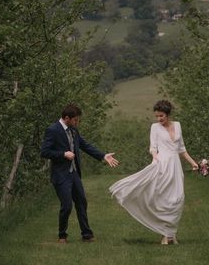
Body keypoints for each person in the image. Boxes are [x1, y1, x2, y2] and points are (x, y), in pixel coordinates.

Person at [109, 99, 199, 245]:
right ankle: (166, 234)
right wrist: (155, 157)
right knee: (162, 199)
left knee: (177, 199)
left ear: (168, 114)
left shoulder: (177, 125)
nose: (159, 119)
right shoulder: (155, 127)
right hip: (161, 164)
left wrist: (194, 163)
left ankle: (171, 233)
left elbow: (181, 149)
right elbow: (153, 147)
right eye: (156, 116)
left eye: (161, 116)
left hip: (175, 166)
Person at [41, 104, 119, 243]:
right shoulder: (53, 130)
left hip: (74, 173)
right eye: (76, 120)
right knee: (67, 206)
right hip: (61, 175)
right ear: (66, 118)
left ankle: (86, 234)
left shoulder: (74, 130)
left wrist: (102, 156)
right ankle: (62, 236)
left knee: (82, 202)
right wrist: (63, 154)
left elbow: (85, 145)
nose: (77, 123)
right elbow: (45, 152)